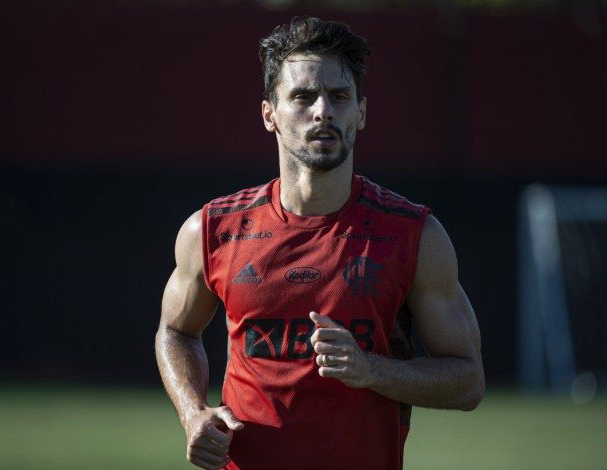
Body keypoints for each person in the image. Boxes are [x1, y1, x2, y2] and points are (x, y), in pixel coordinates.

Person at [155, 16, 484, 470]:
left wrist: (373, 370)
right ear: (269, 114)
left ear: (361, 113)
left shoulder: (414, 235)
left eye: (339, 96)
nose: (323, 110)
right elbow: (175, 332)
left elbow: (468, 381)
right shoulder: (212, 230)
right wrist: (193, 413)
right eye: (303, 96)